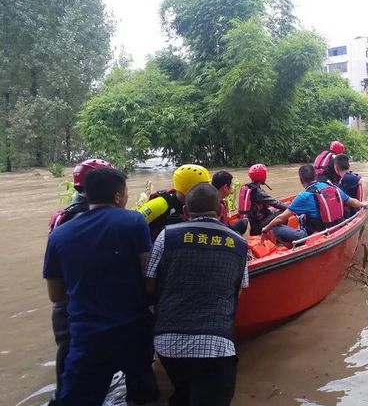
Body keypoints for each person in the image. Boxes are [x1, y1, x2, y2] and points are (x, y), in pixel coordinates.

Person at [43, 168, 159, 406]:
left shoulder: (60, 234)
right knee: (143, 395)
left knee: (77, 398)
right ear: (118, 196)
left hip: (86, 334)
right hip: (133, 329)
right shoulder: (133, 221)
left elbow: (56, 295)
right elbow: (148, 277)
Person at [145, 183, 248, 406]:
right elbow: (236, 293)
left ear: (185, 212)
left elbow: (149, 286)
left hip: (167, 343)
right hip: (217, 344)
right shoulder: (240, 244)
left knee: (182, 394)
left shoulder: (166, 236)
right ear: (221, 211)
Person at [47, 159, 114, 406]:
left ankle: (63, 395)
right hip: (91, 300)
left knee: (68, 353)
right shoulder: (104, 219)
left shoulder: (60, 217)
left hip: (66, 298)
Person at [262, 164, 368, 243]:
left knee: (276, 227)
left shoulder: (303, 196)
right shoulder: (332, 187)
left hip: (316, 233)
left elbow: (280, 218)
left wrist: (266, 229)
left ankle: (296, 247)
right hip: (337, 226)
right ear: (315, 176)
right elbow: (352, 201)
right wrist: (362, 203)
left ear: (301, 180)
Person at [138, 164, 211, 240]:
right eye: (202, 191)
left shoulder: (204, 204)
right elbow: (132, 226)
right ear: (187, 188)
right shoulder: (159, 204)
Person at [238, 163, 287, 236]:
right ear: (262, 176)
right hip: (255, 228)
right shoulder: (257, 192)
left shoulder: (247, 187)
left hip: (247, 224)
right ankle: (281, 236)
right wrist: (290, 209)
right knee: (284, 213)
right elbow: (275, 203)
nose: (266, 176)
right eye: (265, 174)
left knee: (273, 210)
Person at [211, 170, 249, 237]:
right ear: (225, 187)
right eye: (231, 186)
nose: (231, 188)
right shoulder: (218, 206)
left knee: (245, 221)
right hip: (222, 235)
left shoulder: (216, 200)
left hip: (224, 229)